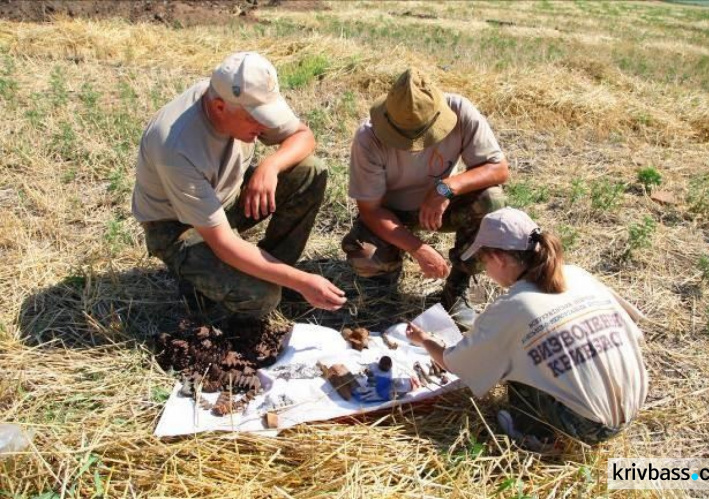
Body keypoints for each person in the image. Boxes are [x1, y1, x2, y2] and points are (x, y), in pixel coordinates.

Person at [405, 208, 648, 451]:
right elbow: (632, 327)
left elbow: (455, 363)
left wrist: (425, 340)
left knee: (516, 355)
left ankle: (528, 434)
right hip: (635, 403)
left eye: (484, 261)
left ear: (499, 259)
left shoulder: (513, 307)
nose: (486, 271)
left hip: (589, 425)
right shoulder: (576, 274)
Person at [132, 52, 346, 320]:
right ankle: (210, 304)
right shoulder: (176, 146)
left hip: (226, 192)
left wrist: (271, 166)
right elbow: (223, 242)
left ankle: (273, 272)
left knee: (309, 170)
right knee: (261, 296)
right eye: (256, 117)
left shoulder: (241, 101)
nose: (266, 124)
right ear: (220, 107)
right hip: (178, 226)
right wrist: (302, 281)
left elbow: (303, 136)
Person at [342, 68, 509, 330]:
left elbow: (498, 169)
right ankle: (386, 285)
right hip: (392, 213)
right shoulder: (368, 137)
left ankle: (457, 289)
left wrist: (446, 188)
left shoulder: (460, 111)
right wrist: (417, 248)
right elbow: (371, 210)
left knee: (492, 201)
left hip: (443, 207)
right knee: (366, 254)